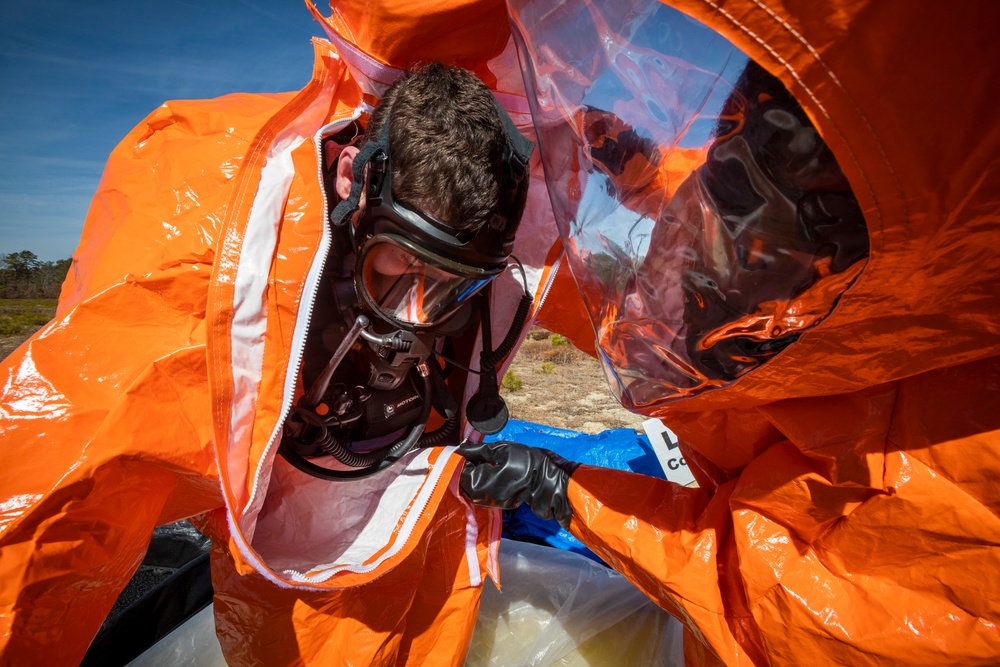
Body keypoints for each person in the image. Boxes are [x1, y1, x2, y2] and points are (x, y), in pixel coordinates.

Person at [460, 0, 1000, 665]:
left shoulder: (946, 464)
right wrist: (644, 177)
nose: (731, 204)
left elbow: (766, 602)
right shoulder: (861, 242)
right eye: (744, 150)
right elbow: (741, 226)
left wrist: (565, 493)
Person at [0, 35, 534, 665]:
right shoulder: (218, 267)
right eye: (402, 261)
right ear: (352, 180)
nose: (415, 310)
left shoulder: (477, 291)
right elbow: (60, 487)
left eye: (452, 282)